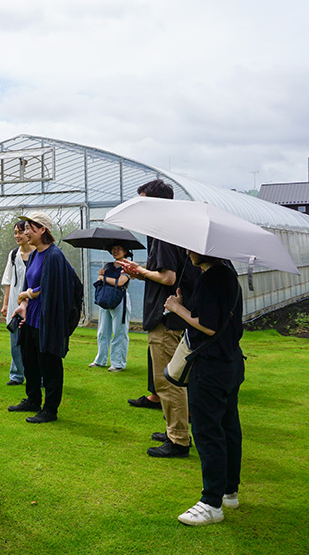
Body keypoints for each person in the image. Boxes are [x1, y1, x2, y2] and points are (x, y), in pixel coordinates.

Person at [164, 253, 244, 525]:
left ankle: (212, 503)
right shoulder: (229, 274)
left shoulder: (211, 278)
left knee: (207, 431)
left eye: (191, 248)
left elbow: (208, 326)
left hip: (210, 366)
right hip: (231, 361)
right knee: (228, 425)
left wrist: (177, 308)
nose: (187, 252)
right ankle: (229, 491)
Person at [119, 179, 197, 457]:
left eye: (143, 201)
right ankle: (175, 428)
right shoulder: (172, 230)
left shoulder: (164, 233)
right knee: (172, 377)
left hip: (165, 318)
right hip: (171, 316)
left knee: (168, 380)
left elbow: (168, 277)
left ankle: (178, 439)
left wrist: (139, 271)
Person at [7, 211, 80, 424]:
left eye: (30, 228)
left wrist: (28, 294)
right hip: (30, 318)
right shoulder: (35, 254)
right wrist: (23, 305)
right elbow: (28, 284)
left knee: (49, 364)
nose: (26, 231)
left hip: (48, 320)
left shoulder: (54, 256)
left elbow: (53, 286)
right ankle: (32, 400)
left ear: (42, 230)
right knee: (30, 361)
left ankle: (50, 409)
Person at [0, 221, 34, 385]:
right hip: (15, 303)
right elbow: (8, 280)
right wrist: (6, 304)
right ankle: (17, 375)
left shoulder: (39, 254)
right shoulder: (13, 255)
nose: (17, 236)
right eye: (15, 232)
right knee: (15, 342)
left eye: (21, 232)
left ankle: (38, 376)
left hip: (34, 304)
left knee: (35, 342)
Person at [89, 243, 132, 372]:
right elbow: (100, 280)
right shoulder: (108, 266)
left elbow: (120, 282)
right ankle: (100, 360)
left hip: (120, 299)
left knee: (119, 331)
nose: (115, 251)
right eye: (113, 249)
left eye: (119, 248)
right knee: (102, 330)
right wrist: (101, 275)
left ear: (125, 251)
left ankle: (118, 363)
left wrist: (104, 277)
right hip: (105, 298)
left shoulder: (128, 266)